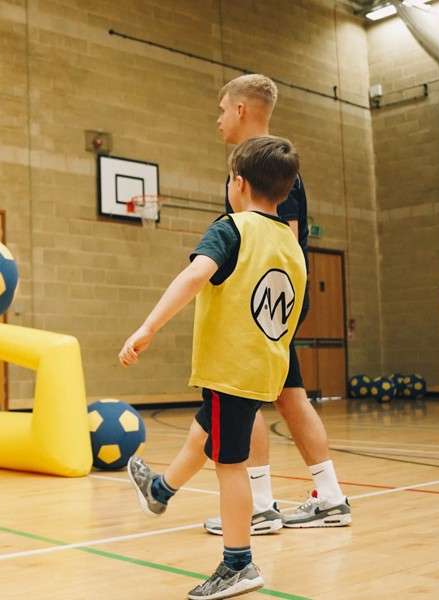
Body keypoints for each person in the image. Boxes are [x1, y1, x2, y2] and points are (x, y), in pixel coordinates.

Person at [120, 136, 307, 600]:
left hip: (232, 370)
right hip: (263, 370)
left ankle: (238, 563)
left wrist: (148, 327)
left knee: (230, 465)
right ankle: (160, 491)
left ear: (237, 183)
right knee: (203, 433)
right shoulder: (291, 245)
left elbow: (194, 275)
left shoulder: (231, 229)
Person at [206, 74, 351, 535]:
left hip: (266, 297)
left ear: (241, 109)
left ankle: (259, 506)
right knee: (290, 397)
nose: (218, 119)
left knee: (242, 393)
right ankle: (329, 498)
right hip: (270, 297)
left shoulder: (269, 167)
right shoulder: (260, 163)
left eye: (223, 109)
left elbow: (282, 242)